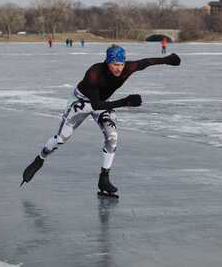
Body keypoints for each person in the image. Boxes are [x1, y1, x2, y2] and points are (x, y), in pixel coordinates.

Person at [20, 45, 181, 197]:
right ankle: (39, 159)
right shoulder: (94, 73)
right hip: (81, 101)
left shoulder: (127, 68)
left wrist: (168, 59)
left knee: (112, 137)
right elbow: (95, 105)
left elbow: (145, 62)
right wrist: (125, 102)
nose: (119, 68)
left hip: (103, 102)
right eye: (115, 64)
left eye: (121, 64)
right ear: (107, 62)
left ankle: (104, 178)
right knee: (62, 138)